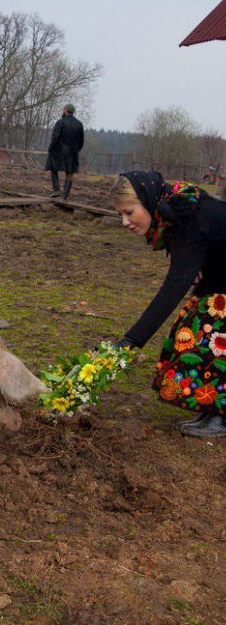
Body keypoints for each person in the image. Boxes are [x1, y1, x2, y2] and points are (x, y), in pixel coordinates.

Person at [110, 171, 226, 438]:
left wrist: (130, 341)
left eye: (128, 212)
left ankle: (222, 417)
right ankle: (215, 409)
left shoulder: (186, 216)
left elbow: (174, 287)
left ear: (148, 201)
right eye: (120, 215)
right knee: (197, 321)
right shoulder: (176, 208)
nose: (124, 222)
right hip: (220, 276)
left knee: (212, 326)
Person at [45, 104, 84, 199]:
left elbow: (55, 137)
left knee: (53, 168)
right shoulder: (79, 124)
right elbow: (81, 141)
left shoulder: (60, 122)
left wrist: (51, 148)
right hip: (73, 153)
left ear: (66, 110)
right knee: (70, 173)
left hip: (59, 152)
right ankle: (65, 194)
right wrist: (76, 150)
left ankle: (56, 189)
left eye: (63, 110)